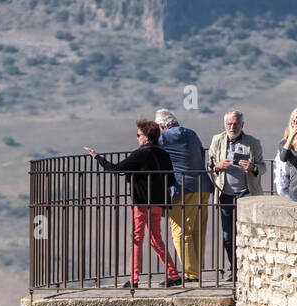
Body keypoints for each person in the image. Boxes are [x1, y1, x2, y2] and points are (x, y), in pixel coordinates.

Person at [85, 121, 180, 287]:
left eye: (138, 135)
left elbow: (115, 169)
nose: (137, 138)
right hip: (158, 203)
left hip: (142, 202)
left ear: (146, 137)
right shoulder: (164, 154)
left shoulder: (140, 154)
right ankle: (173, 274)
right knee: (156, 239)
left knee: (137, 239)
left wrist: (97, 157)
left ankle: (134, 279)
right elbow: (170, 180)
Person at [155, 108, 211, 283]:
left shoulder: (164, 137)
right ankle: (195, 270)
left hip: (183, 187)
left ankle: (191, 274)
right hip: (203, 185)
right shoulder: (191, 133)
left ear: (161, 126)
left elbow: (149, 151)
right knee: (195, 230)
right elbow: (201, 154)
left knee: (179, 231)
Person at [207, 109, 265, 277]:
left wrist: (252, 167)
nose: (232, 127)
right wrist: (218, 166)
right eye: (229, 124)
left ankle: (249, 268)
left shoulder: (253, 142)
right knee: (228, 236)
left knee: (248, 232)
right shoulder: (217, 140)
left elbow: (263, 167)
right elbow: (209, 165)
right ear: (225, 124)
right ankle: (235, 268)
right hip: (225, 193)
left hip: (246, 193)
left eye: (236, 124)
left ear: (242, 125)